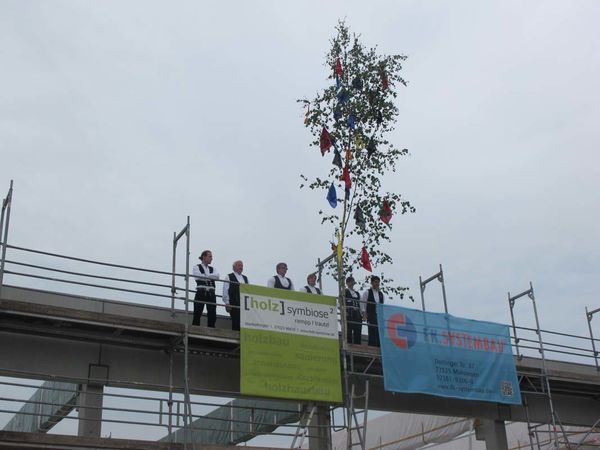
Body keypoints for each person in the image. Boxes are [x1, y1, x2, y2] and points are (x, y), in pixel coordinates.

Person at [192, 250, 220, 327]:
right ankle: (195, 329)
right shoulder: (196, 267)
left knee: (212, 314)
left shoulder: (213, 268)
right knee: (197, 312)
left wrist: (205, 276)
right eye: (210, 256)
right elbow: (198, 277)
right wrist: (210, 276)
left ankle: (211, 330)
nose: (211, 258)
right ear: (204, 257)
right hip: (201, 291)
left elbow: (217, 276)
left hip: (211, 293)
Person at [222, 260, 248, 331]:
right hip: (234, 302)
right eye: (239, 265)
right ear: (234, 267)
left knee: (244, 322)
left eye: (242, 266)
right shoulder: (229, 276)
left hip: (243, 304)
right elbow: (225, 290)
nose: (241, 267)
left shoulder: (245, 278)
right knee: (236, 321)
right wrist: (227, 302)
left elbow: (248, 291)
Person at [361, 275, 383, 347]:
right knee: (372, 331)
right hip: (371, 314)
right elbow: (363, 304)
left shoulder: (381, 294)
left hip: (379, 316)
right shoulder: (367, 292)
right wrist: (364, 315)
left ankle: (378, 348)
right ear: (372, 283)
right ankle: (371, 347)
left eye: (378, 282)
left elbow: (382, 305)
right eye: (375, 282)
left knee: (379, 333)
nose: (377, 284)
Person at [345, 276, 362, 345]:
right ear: (347, 283)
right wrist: (344, 311)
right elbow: (341, 302)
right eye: (350, 281)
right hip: (349, 312)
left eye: (352, 281)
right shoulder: (345, 291)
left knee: (357, 330)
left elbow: (361, 304)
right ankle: (349, 345)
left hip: (357, 313)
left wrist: (362, 314)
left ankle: (357, 345)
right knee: (349, 330)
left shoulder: (357, 293)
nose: (351, 283)